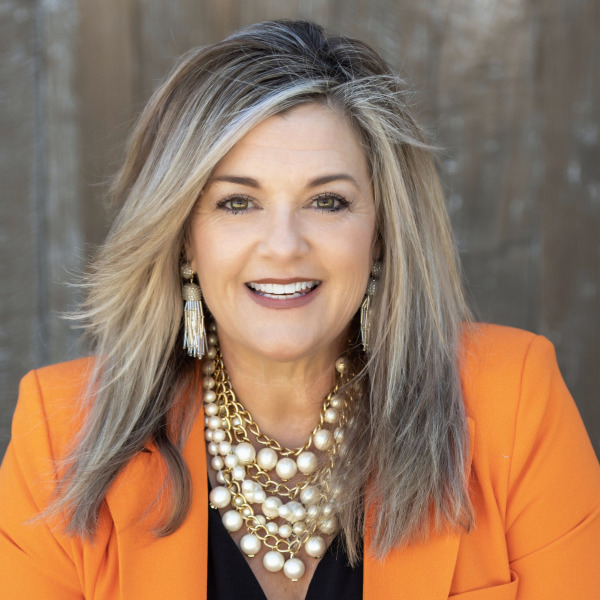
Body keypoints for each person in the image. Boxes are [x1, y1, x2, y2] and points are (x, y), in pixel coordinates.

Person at [0, 20, 598, 600]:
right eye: (238, 203)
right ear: (183, 238)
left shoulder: (514, 404)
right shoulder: (58, 438)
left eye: (328, 201)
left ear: (382, 233)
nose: (284, 246)